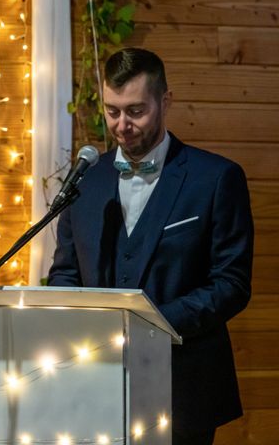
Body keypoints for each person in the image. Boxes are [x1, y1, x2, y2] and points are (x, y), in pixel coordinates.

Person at [48, 48, 253, 445]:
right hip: (94, 385)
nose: (122, 125)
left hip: (183, 388)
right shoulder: (85, 181)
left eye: (136, 111)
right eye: (112, 111)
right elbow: (66, 271)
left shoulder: (216, 178)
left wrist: (152, 323)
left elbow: (231, 283)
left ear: (165, 101)